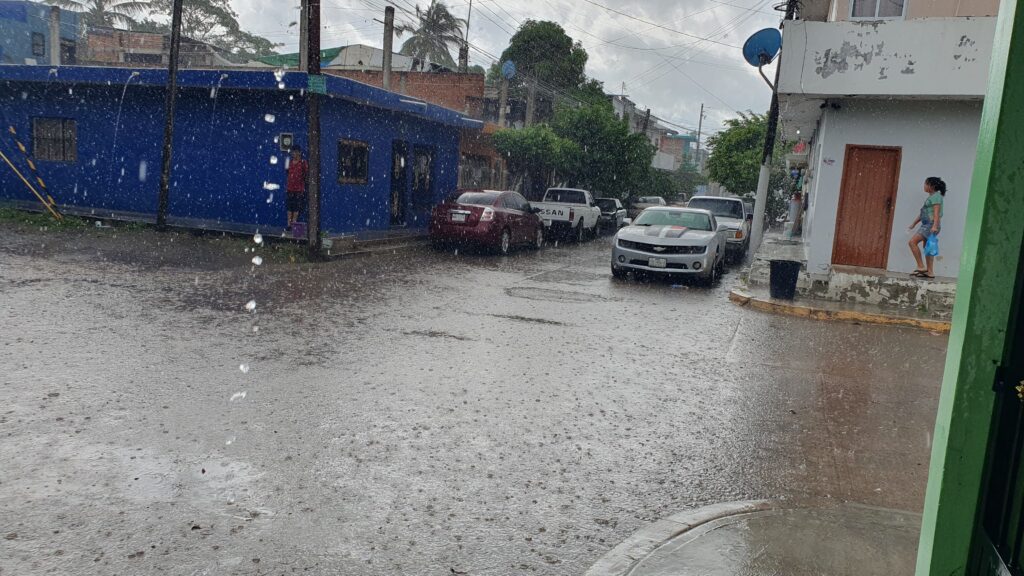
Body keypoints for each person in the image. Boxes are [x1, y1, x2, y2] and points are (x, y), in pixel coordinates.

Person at [907, 176, 946, 279]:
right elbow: (923, 213)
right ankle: (930, 272)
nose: (924, 186)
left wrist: (934, 226)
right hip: (927, 224)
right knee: (927, 248)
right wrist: (914, 224)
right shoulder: (931, 197)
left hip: (930, 224)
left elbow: (936, 213)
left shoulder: (936, 197)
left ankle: (921, 266)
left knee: (912, 242)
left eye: (925, 184)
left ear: (931, 186)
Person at [285, 146, 308, 230]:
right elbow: (287, 172)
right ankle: (289, 224)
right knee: (289, 207)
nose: (293, 154)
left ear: (299, 153)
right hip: (290, 188)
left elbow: (306, 174)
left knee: (296, 207)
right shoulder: (290, 162)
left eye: (295, 152)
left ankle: (294, 223)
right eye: (292, 152)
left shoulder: (303, 163)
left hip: (299, 190)